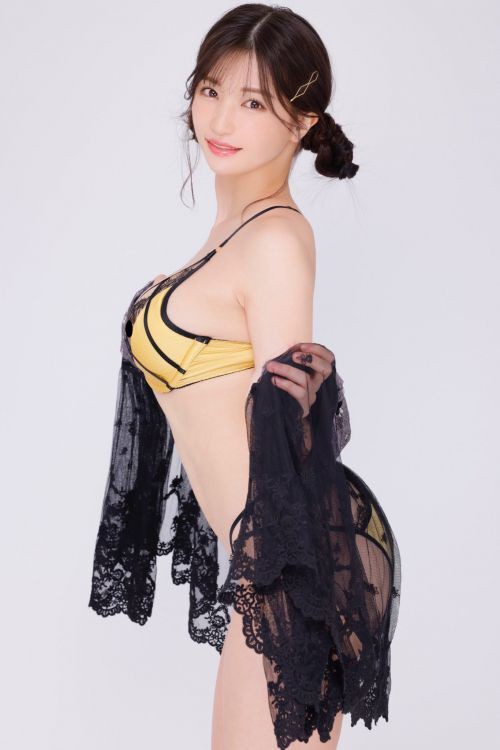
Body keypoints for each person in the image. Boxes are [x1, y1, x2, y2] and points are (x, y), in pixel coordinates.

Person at [89, 5, 401, 749]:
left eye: (254, 102)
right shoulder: (231, 235)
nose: (221, 118)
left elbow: (289, 436)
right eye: (210, 89)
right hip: (269, 565)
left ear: (303, 121)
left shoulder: (275, 241)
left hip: (300, 563)